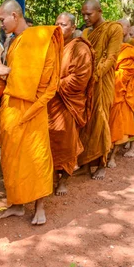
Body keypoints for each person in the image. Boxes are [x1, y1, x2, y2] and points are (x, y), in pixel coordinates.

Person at [0, 0, 62, 226]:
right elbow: (10, 72)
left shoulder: (40, 39)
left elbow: (49, 75)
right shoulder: (12, 41)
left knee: (36, 156)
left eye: (2, 19)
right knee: (12, 159)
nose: (1, 24)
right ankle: (16, 204)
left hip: (32, 108)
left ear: (15, 15)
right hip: (11, 106)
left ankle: (39, 207)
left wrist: (29, 92)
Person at [76, 0, 123, 180]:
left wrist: (94, 76)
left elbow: (111, 57)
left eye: (89, 14)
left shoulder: (114, 29)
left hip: (102, 83)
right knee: (86, 123)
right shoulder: (86, 33)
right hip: (86, 84)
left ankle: (102, 163)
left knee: (101, 121)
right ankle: (86, 164)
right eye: (83, 14)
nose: (86, 17)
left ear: (100, 11)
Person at [49, 12, 94, 196]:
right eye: (57, 23)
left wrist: (54, 84)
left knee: (67, 144)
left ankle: (64, 180)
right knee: (50, 142)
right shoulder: (52, 46)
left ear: (73, 27)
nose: (59, 27)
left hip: (68, 103)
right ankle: (50, 177)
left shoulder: (79, 49)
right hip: (50, 102)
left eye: (64, 24)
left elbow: (80, 79)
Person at [107, 42, 134, 169]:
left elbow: (122, 77)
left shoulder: (128, 52)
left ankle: (113, 157)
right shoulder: (109, 48)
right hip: (107, 93)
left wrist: (105, 72)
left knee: (119, 127)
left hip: (121, 95)